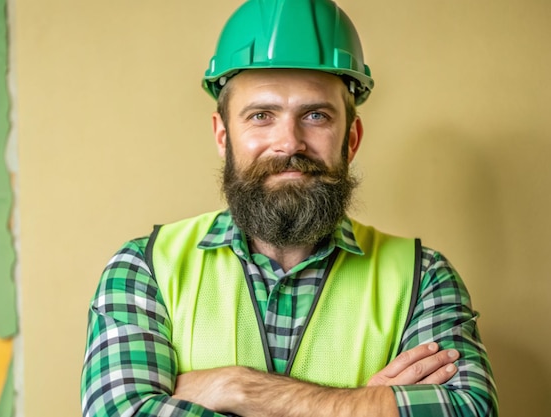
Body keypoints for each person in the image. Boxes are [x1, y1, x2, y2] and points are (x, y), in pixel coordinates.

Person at [81, 0, 498, 416]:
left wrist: (239, 389)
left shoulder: (422, 278)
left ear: (350, 139)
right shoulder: (145, 268)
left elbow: (469, 410)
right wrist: (360, 404)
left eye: (315, 115)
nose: (290, 142)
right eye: (262, 115)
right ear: (223, 136)